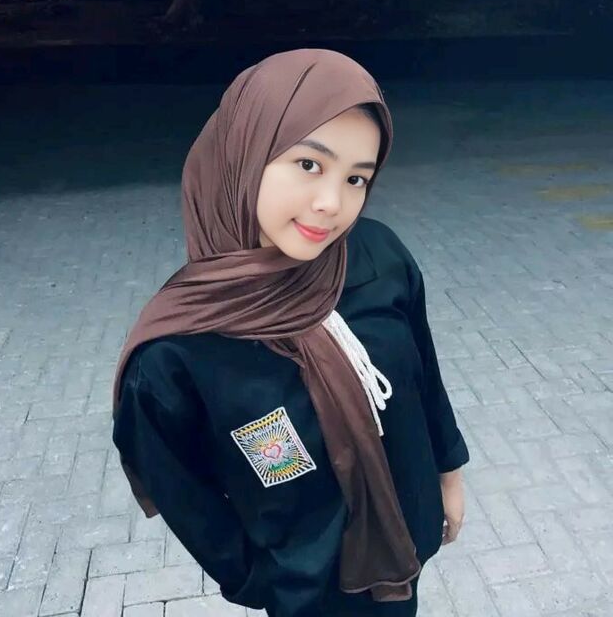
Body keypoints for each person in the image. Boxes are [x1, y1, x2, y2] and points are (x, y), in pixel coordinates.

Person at [112, 49, 469, 617]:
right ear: (244, 154)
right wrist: (256, 577)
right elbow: (182, 489)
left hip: (403, 550)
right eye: (308, 164)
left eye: (356, 178)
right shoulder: (177, 350)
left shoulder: (377, 257)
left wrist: (447, 476)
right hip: (306, 590)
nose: (331, 204)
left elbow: (423, 377)